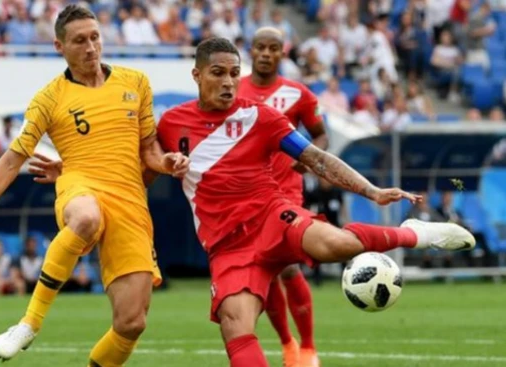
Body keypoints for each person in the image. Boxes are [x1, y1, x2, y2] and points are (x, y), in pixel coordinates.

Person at [28, 37, 476, 367]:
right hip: (227, 247)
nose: (228, 82)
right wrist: (72, 171)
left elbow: (316, 157)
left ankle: (414, 233)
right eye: (218, 73)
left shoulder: (261, 116)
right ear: (197, 75)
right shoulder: (171, 124)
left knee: (335, 246)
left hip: (271, 215)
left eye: (233, 74)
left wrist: (372, 191)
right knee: (235, 328)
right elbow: (137, 170)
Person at [0, 4, 189, 365]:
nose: (90, 47)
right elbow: (12, 159)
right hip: (79, 183)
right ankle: (29, 323)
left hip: (130, 199)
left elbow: (148, 149)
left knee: (131, 323)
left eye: (95, 37)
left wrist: (166, 162)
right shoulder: (49, 98)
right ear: (60, 47)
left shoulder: (135, 82)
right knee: (85, 218)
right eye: (79, 41)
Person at [237, 27, 328, 367]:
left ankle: (307, 347)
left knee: (287, 266)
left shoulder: (298, 94)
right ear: (252, 49)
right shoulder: (236, 89)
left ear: (281, 53)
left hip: (285, 191)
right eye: (259, 47)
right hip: (246, 193)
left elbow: (320, 136)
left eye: (273, 48)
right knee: (267, 269)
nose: (265, 53)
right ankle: (287, 344)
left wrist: (308, 159)